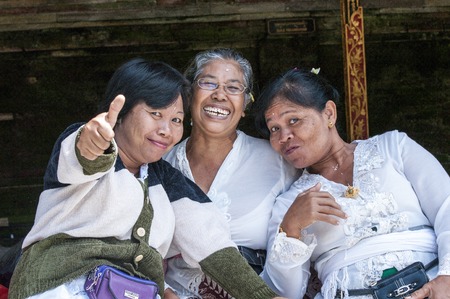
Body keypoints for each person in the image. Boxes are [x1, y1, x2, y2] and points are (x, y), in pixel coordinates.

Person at [8, 58, 286, 299]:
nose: (166, 129)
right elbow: (82, 156)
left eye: (176, 120)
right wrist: (92, 142)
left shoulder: (167, 180)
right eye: (155, 114)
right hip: (58, 288)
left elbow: (211, 244)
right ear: (121, 112)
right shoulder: (91, 150)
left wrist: (263, 295)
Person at [253, 67, 450, 299]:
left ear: (329, 114)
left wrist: (447, 276)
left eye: (293, 120)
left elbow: (446, 208)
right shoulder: (289, 203)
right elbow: (283, 293)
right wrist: (291, 229)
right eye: (274, 128)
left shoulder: (394, 148)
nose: (283, 136)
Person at [163, 48, 299, 298]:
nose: (220, 95)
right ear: (189, 94)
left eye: (234, 88)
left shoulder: (279, 161)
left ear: (245, 104)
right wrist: (161, 291)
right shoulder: (160, 163)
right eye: (208, 83)